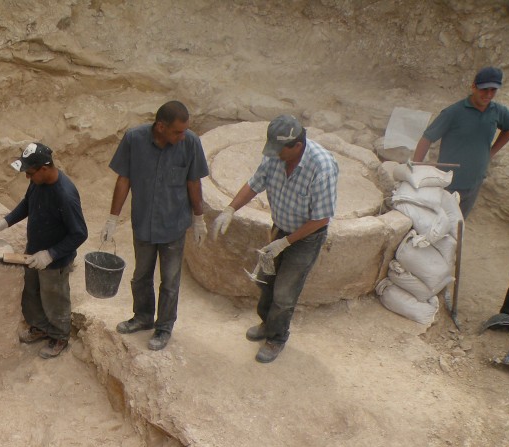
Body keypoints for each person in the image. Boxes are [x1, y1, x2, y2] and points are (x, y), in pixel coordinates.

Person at [212, 115, 338, 363]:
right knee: (266, 282)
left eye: (279, 149)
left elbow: (321, 219)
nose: (274, 153)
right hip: (280, 227)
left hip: (306, 237)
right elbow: (255, 184)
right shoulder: (276, 155)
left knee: (284, 293)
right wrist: (229, 210)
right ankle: (266, 324)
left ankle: (276, 338)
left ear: (297, 146)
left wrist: (285, 243)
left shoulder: (322, 167)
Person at [102, 101, 209, 351]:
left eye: (184, 131)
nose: (182, 136)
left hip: (173, 226)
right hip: (144, 223)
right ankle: (143, 317)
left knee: (170, 281)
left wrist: (199, 218)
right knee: (141, 276)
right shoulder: (134, 139)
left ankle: (164, 327)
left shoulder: (190, 142)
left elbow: (194, 183)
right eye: (177, 132)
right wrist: (112, 218)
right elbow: (123, 179)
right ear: (160, 126)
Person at [0, 143, 87, 359]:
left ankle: (59, 336)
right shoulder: (38, 183)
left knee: (54, 297)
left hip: (55, 260)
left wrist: (51, 254)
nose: (27, 178)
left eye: (30, 173)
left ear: (45, 168)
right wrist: (5, 222)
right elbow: (27, 204)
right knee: (32, 292)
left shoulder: (65, 195)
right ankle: (40, 327)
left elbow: (79, 233)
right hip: (33, 251)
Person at [411, 66, 509, 219]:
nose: (488, 95)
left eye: (493, 90)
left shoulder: (498, 111)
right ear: (474, 87)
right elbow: (427, 138)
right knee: (437, 221)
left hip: (474, 182)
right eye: (484, 89)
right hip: (449, 183)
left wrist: (491, 152)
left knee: (458, 223)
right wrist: (416, 168)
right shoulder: (454, 112)